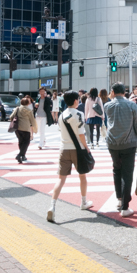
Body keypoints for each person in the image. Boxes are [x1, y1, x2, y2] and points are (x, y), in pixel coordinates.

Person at [104, 83, 137, 218]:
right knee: (127, 174)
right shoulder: (132, 105)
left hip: (112, 143)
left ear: (112, 91)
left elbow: (111, 116)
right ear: (125, 92)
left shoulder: (108, 106)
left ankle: (119, 199)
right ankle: (125, 207)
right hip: (129, 143)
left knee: (116, 170)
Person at [48, 91, 93, 222]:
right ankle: (83, 202)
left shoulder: (61, 115)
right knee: (82, 176)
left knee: (61, 179)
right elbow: (81, 134)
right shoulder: (79, 114)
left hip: (64, 149)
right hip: (77, 149)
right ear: (75, 101)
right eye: (78, 99)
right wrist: (86, 147)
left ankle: (52, 206)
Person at [12, 95, 36, 163]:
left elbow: (11, 117)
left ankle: (22, 156)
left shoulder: (17, 108)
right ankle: (20, 155)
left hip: (17, 128)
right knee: (26, 142)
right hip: (26, 128)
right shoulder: (29, 110)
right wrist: (34, 128)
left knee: (21, 141)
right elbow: (32, 120)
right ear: (27, 103)